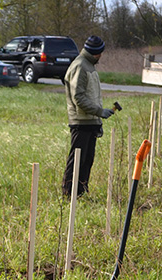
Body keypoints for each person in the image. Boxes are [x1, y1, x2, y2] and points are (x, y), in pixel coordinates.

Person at [62, 35, 115, 198]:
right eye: (100, 53)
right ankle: (69, 194)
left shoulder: (88, 65)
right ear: (95, 53)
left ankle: (81, 193)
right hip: (81, 122)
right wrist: (99, 111)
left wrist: (100, 114)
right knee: (77, 160)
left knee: (87, 160)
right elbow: (78, 97)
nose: (101, 56)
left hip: (90, 121)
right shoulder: (80, 66)